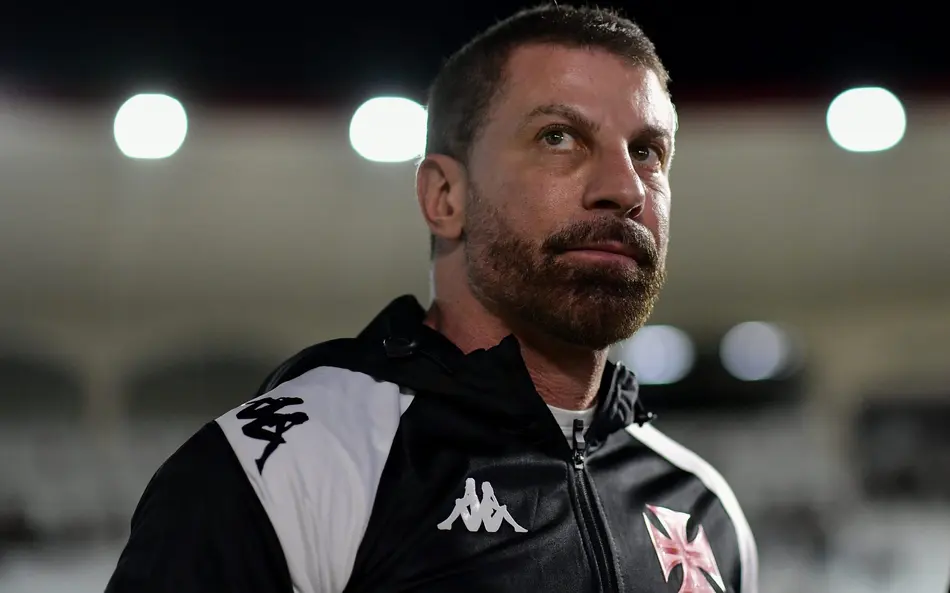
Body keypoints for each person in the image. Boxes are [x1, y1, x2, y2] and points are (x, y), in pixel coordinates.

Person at [106, 4, 758, 592]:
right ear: (445, 197)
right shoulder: (283, 472)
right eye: (559, 136)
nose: (626, 187)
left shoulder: (707, 512)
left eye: (646, 151)